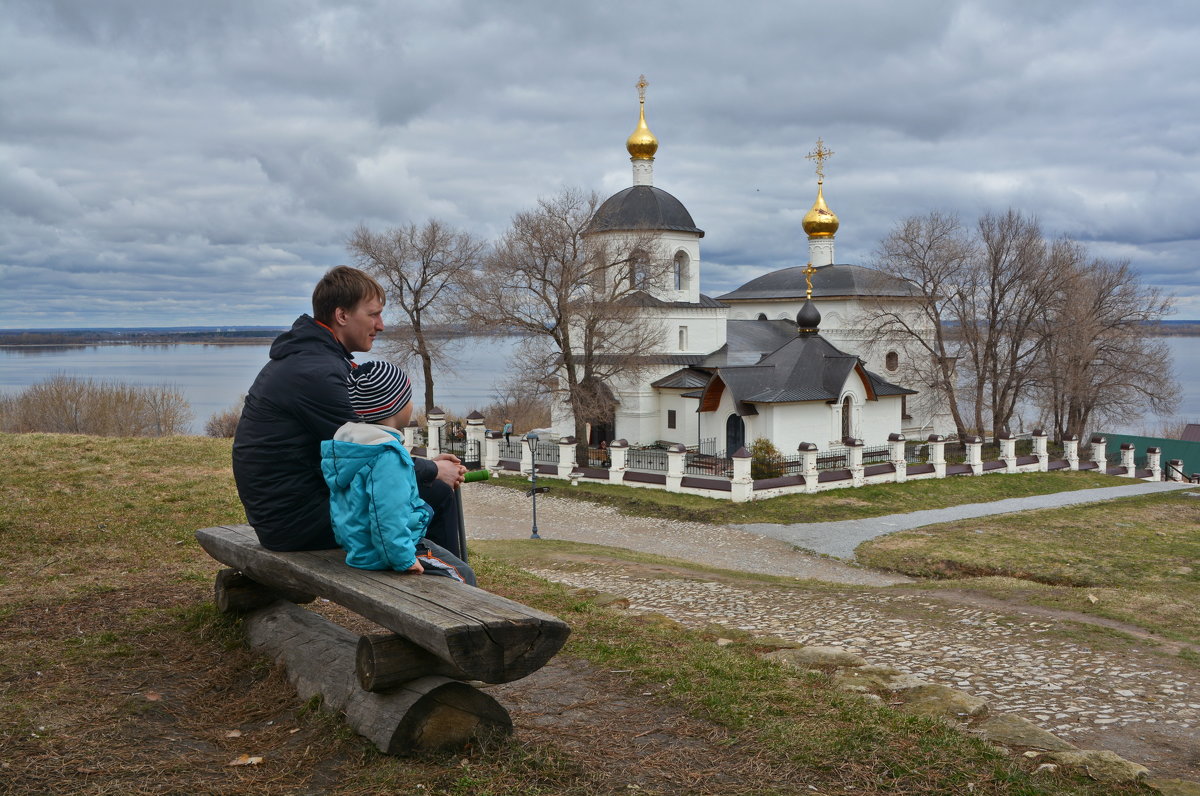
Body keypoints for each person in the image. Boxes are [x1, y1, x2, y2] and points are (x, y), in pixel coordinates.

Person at [232, 265, 466, 553]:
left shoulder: (310, 360)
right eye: (373, 314)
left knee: (417, 490)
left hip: (286, 514)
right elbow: (366, 455)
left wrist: (427, 466)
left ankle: (423, 563)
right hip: (295, 524)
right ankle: (447, 587)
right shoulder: (316, 373)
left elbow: (361, 447)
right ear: (342, 315)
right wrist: (433, 470)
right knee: (438, 493)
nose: (380, 325)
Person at [321, 360, 474, 585]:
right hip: (389, 553)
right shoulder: (388, 456)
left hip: (360, 549)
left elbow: (343, 507)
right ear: (396, 404)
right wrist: (403, 559)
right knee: (463, 574)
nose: (411, 404)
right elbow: (388, 515)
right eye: (408, 398)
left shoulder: (351, 448)